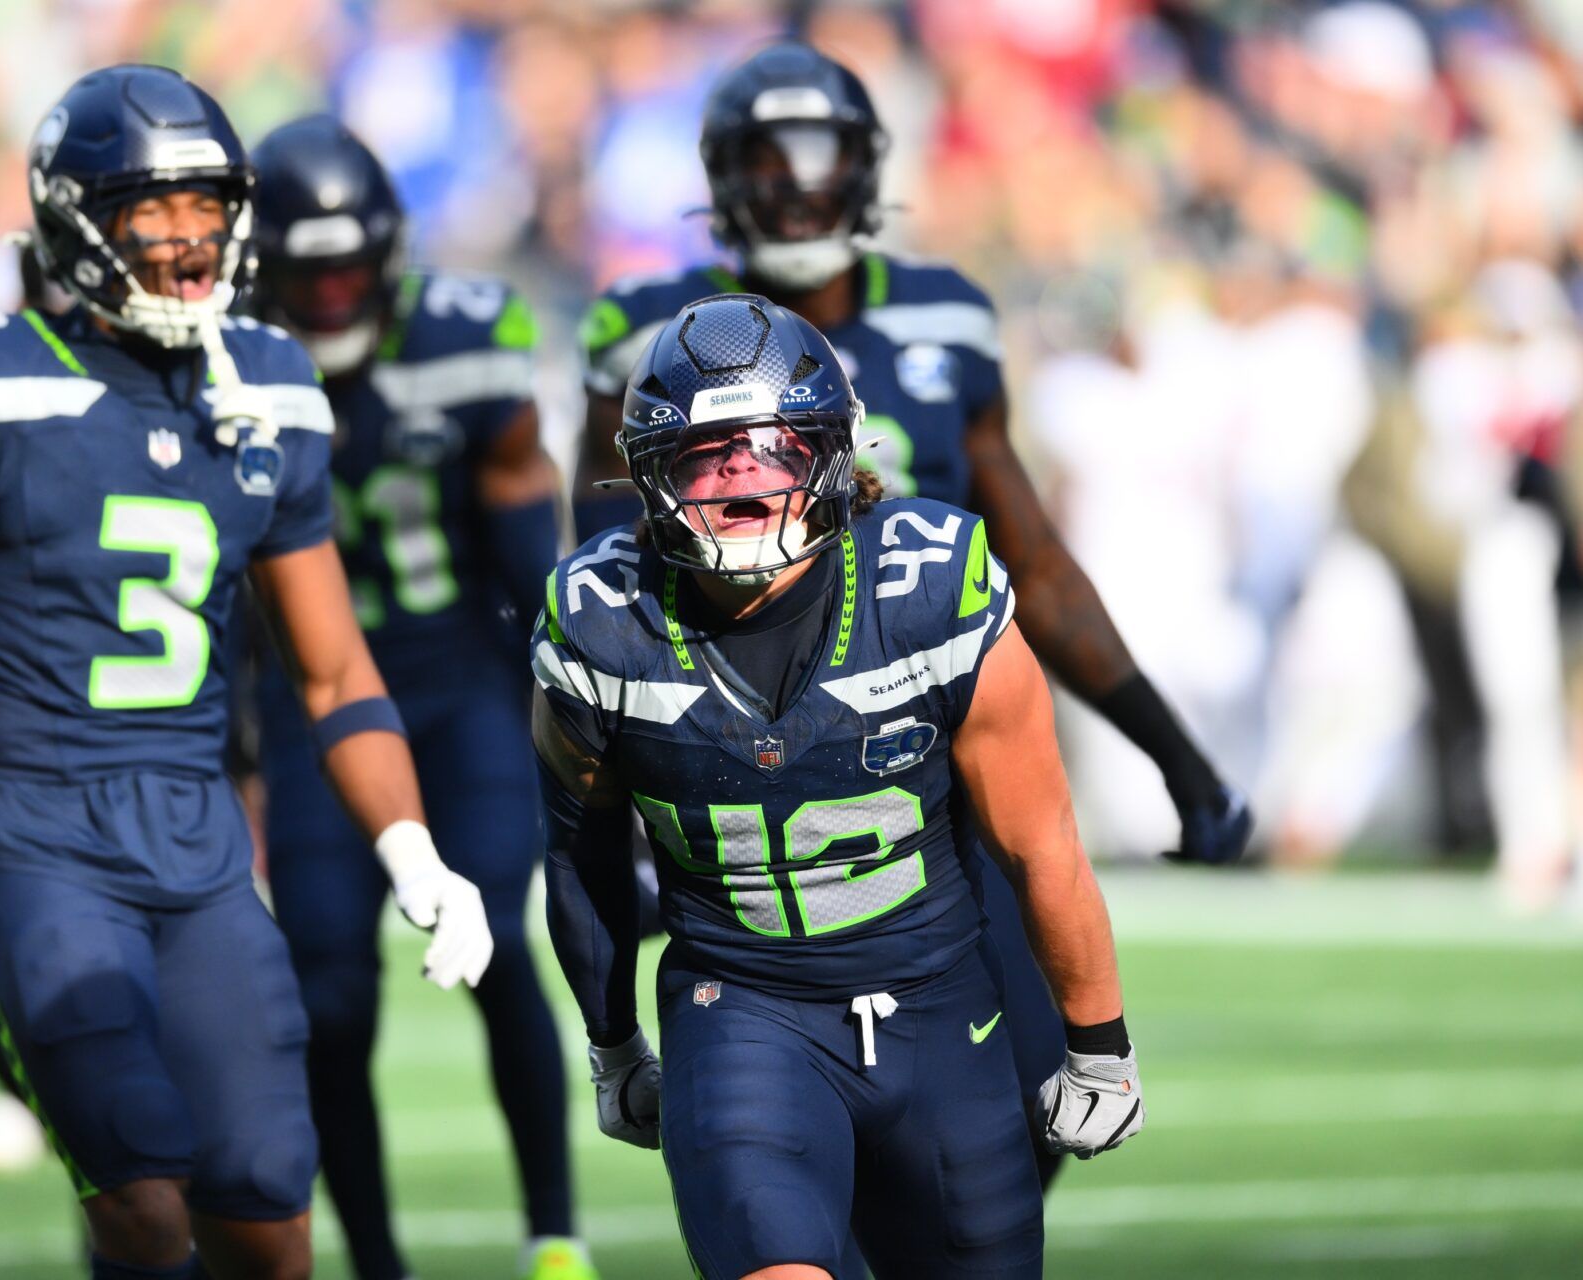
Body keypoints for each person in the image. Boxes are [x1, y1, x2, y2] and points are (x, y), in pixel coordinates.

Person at [0, 66, 493, 1280]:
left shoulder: (271, 388)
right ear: (77, 219)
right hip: (33, 828)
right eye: (153, 209)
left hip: (197, 837)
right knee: (142, 1199)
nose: (190, 238)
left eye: (208, 204)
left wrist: (413, 849)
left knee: (265, 1214)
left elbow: (334, 666)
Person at [575, 42, 1243, 1184]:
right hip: (744, 781)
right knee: (787, 1149)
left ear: (869, 168)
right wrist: (621, 810)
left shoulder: (946, 318)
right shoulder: (645, 329)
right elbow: (602, 585)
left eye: (818, 156)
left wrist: (1175, 752)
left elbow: (1035, 559)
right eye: (764, 159)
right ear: (720, 175)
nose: (792, 185)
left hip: (932, 768)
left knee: (1027, 1116)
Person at [537, 293, 1143, 1280]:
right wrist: (613, 1045)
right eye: (705, 450)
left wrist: (1100, 1039)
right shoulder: (603, 621)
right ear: (650, 473)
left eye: (768, 443)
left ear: (827, 453)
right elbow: (581, 849)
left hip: (943, 1015)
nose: (738, 471)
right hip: (742, 1010)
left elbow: (1042, 842)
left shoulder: (930, 590)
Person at [245, 116, 591, 1280]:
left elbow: (523, 554)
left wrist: (574, 704)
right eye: (308, 273)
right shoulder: (232, 357)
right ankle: (378, 1261)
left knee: (495, 937)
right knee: (328, 990)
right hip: (310, 705)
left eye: (350, 269)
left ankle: (555, 1232)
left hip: (456, 684)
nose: (332, 293)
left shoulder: (467, 336)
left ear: (389, 256)